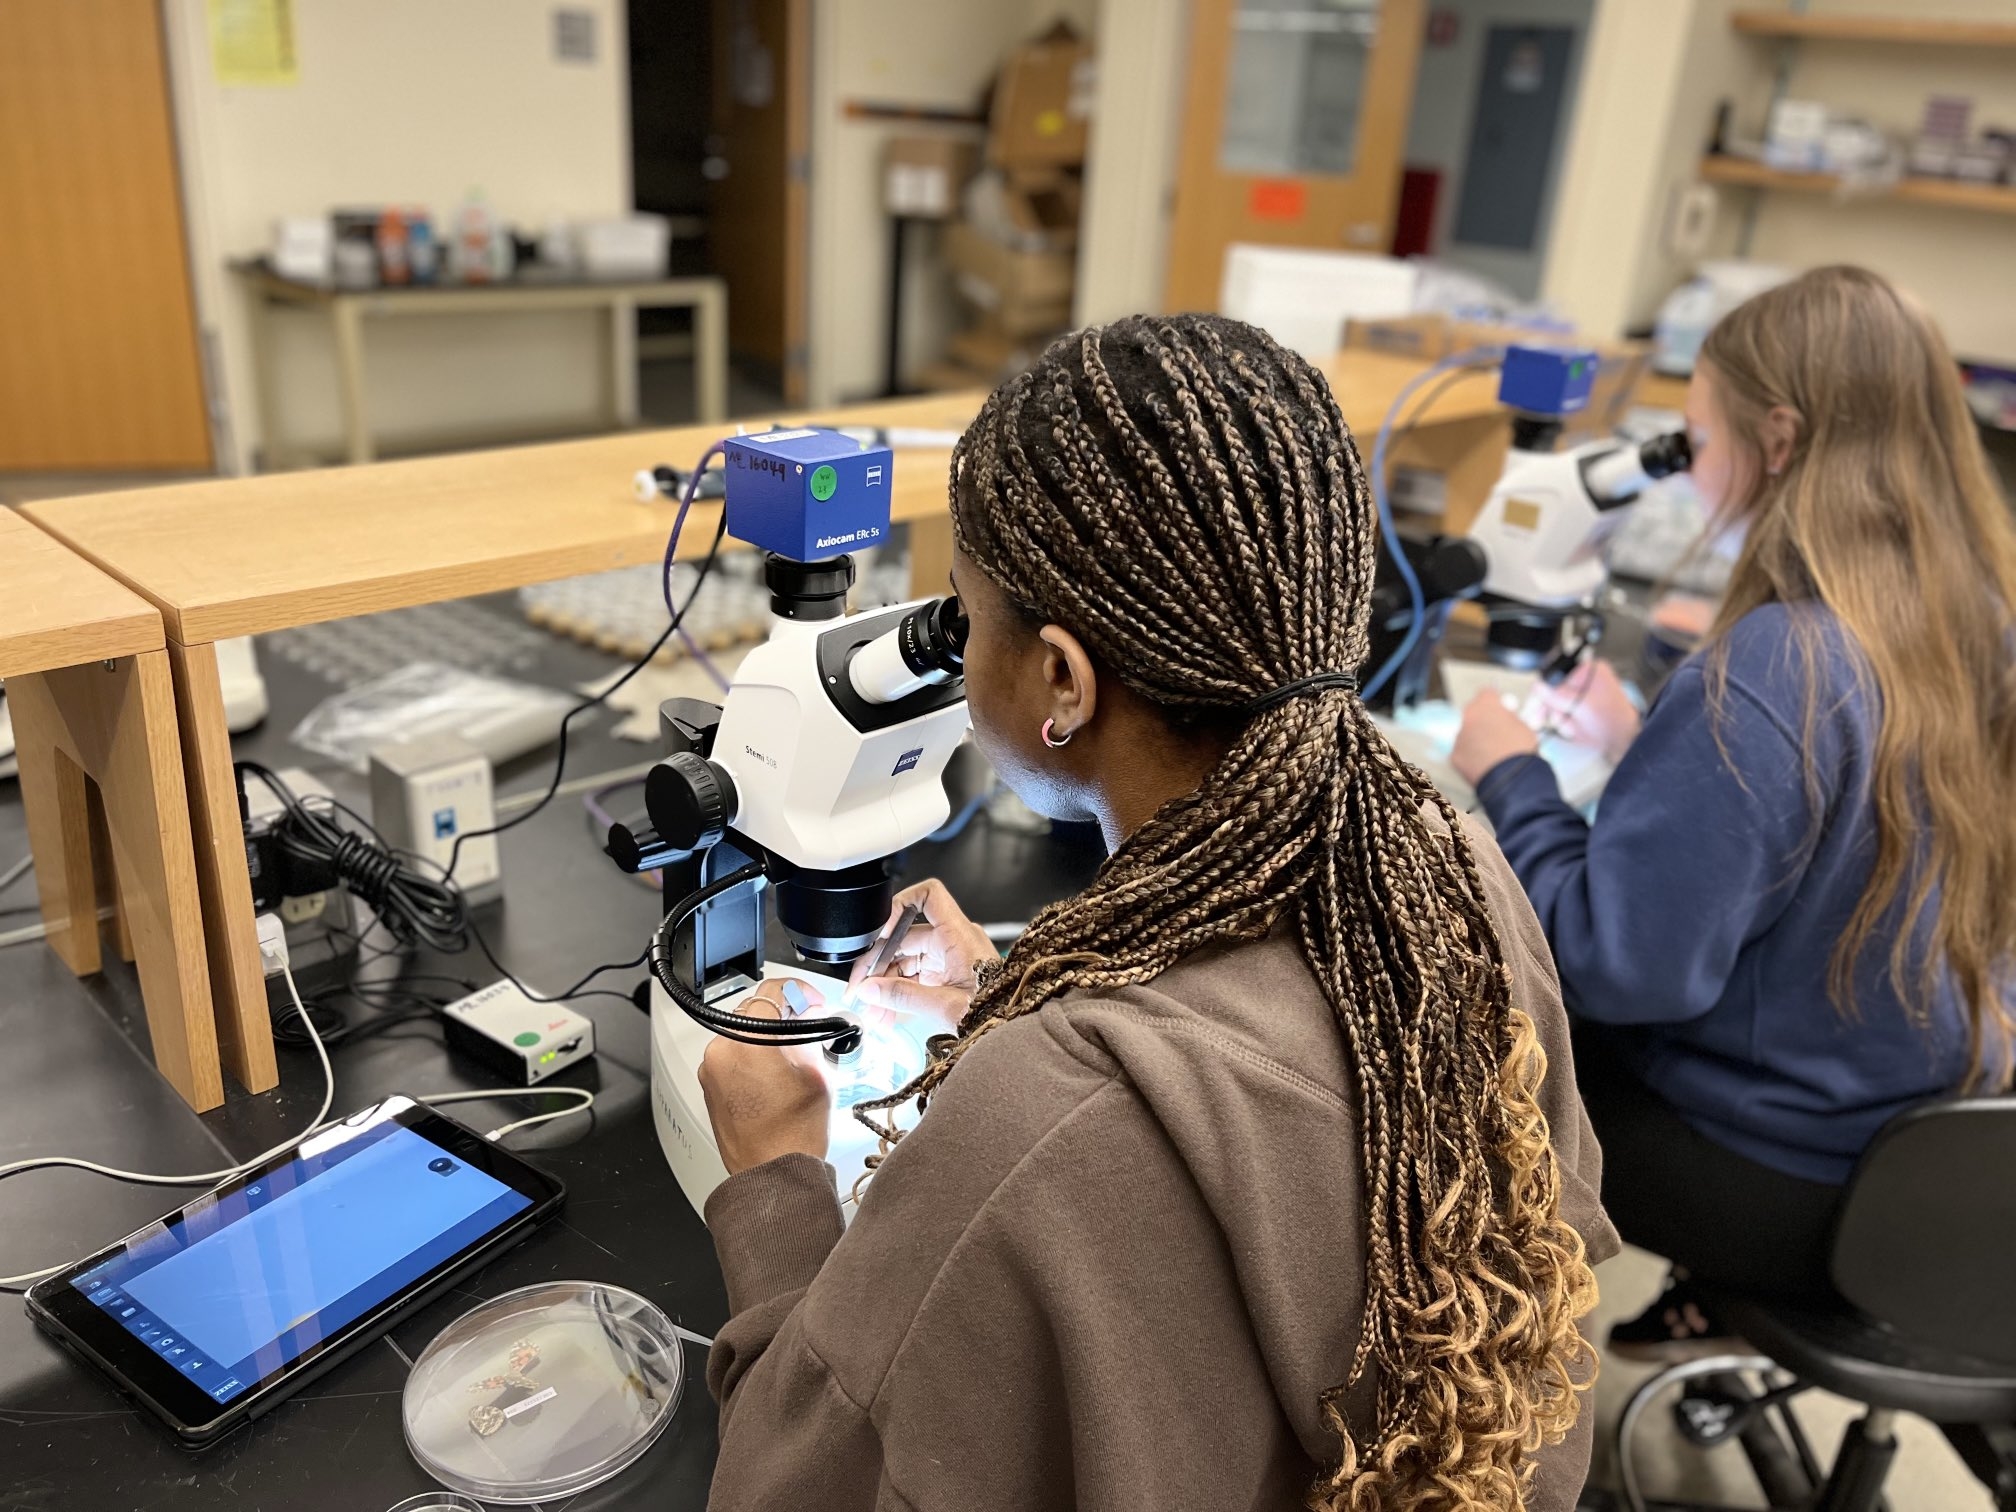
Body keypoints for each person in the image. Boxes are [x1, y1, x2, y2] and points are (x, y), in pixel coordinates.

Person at [693, 315, 1617, 1510]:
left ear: (1063, 683)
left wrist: (772, 1184)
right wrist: (1042, 993)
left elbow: (789, 1487)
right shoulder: (1456, 877)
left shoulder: (1045, 1115)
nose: (958, 653)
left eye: (967, 622)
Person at [1452, 265, 2016, 1352]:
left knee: (1445, 1060)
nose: (1691, 472)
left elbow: (1620, 968)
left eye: (1697, 440)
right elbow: (1850, 836)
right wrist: (1646, 750)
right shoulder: (1979, 626)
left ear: (1782, 441)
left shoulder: (1775, 666)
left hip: (1783, 1185)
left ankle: (1443, 1424)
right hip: (1942, 1169)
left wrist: (1510, 771)